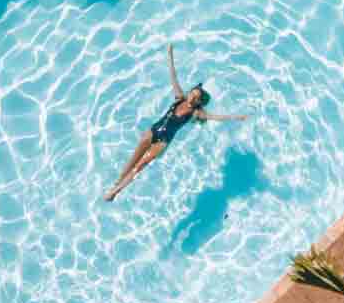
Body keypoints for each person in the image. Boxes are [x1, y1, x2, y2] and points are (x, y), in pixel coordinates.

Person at [104, 44, 249, 202]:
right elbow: (173, 76)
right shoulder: (179, 97)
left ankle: (116, 191)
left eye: (196, 96)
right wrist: (170, 54)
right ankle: (118, 181)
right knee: (134, 158)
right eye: (193, 92)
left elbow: (216, 117)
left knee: (140, 166)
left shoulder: (196, 113)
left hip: (163, 141)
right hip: (153, 131)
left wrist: (237, 117)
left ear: (199, 102)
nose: (192, 96)